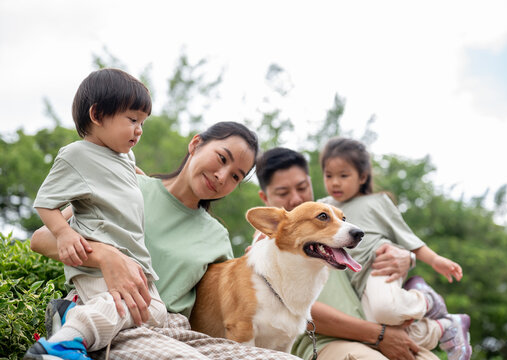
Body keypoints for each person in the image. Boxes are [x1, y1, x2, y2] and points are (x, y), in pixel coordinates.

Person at [30, 122, 301, 360]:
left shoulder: (217, 237)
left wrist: (262, 261)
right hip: (121, 320)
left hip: (177, 331)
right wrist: (105, 255)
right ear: (196, 143)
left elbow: (220, 305)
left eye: (235, 176)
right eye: (221, 158)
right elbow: (42, 239)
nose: (221, 176)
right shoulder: (132, 187)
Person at [25, 68, 167, 359]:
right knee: (121, 306)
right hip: (99, 268)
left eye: (142, 121)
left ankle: (74, 310)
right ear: (97, 114)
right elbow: (45, 202)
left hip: (134, 262)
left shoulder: (124, 157)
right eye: (132, 119)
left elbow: (123, 177)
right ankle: (63, 343)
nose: (139, 129)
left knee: (157, 313)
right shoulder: (76, 155)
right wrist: (63, 233)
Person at [254, 147, 439, 360]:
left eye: (302, 187)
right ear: (265, 197)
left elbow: (373, 239)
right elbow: (301, 309)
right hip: (329, 343)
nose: (296, 199)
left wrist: (406, 256)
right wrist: (379, 335)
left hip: (381, 329)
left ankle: (436, 313)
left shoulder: (332, 214)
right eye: (283, 193)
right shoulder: (266, 242)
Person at [319, 137, 472, 360]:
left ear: (362, 177)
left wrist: (437, 260)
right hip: (353, 283)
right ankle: (444, 327)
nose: (335, 183)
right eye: (329, 175)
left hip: (378, 267)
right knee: (376, 333)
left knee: (385, 311)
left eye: (344, 175)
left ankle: (427, 299)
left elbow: (409, 238)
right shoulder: (324, 205)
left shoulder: (377, 202)